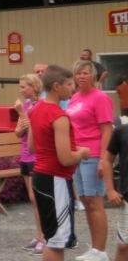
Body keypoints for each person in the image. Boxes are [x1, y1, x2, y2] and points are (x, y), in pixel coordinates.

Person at [30, 64, 92, 261]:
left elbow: (32, 147)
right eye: (69, 84)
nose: (72, 88)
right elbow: (65, 158)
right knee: (58, 241)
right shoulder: (59, 116)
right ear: (57, 86)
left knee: (52, 237)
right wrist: (82, 152)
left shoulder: (36, 109)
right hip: (55, 179)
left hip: (40, 177)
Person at [66, 59, 114, 261]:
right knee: (85, 201)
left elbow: (107, 130)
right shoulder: (75, 97)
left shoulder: (100, 98)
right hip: (78, 154)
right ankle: (94, 248)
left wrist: (104, 159)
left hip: (94, 154)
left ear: (93, 76)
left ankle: (101, 251)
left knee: (95, 202)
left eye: (85, 73)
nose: (81, 77)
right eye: (78, 74)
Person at [15, 72, 46, 255]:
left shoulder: (40, 106)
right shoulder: (26, 106)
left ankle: (46, 237)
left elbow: (36, 129)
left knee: (38, 199)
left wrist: (21, 114)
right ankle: (39, 234)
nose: (21, 90)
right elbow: (19, 132)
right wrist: (21, 118)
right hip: (25, 156)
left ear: (33, 87)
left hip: (37, 157)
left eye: (23, 87)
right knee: (33, 200)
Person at [99, 103, 128, 261]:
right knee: (124, 245)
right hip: (127, 196)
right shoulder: (122, 131)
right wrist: (110, 189)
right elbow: (107, 160)